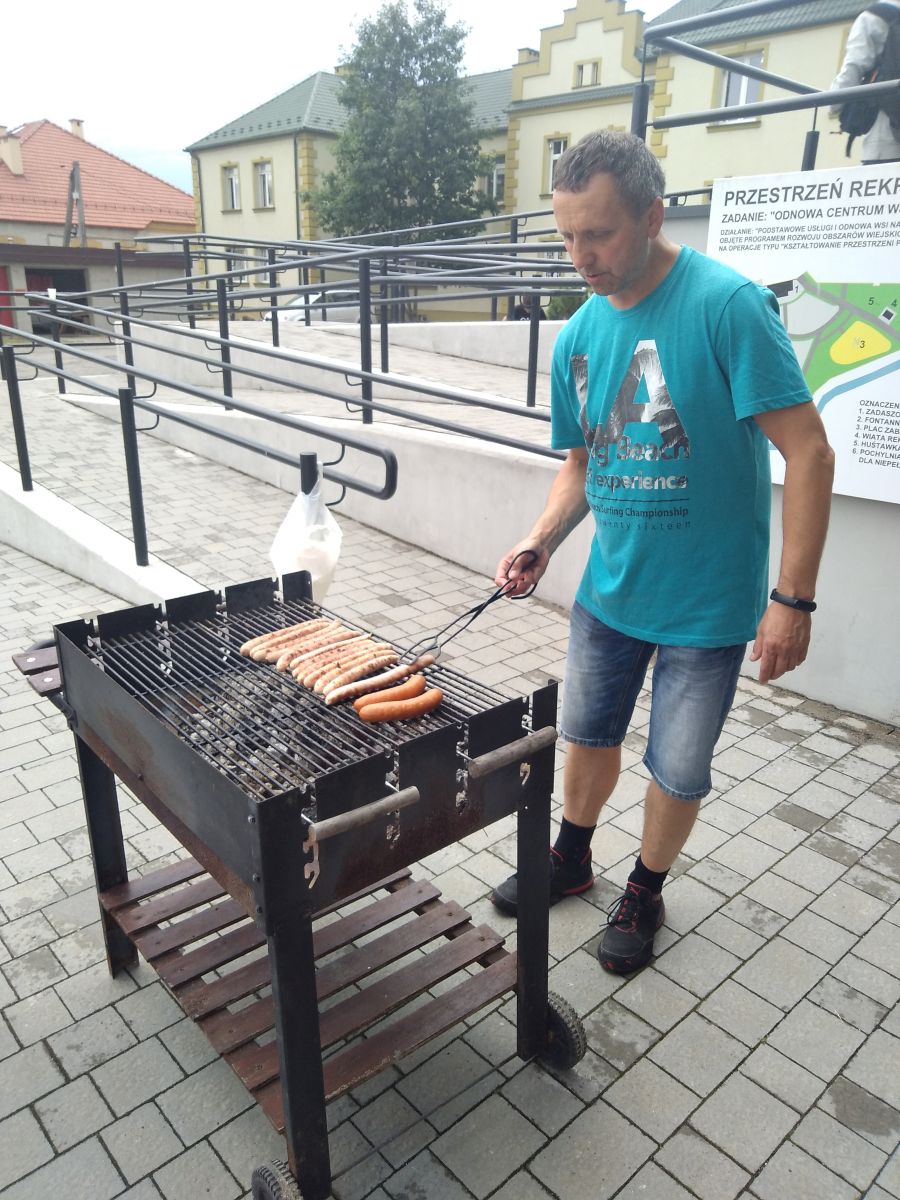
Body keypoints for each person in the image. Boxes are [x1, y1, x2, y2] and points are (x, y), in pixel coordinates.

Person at [490, 130, 834, 975]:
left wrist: (792, 600)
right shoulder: (577, 336)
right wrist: (539, 539)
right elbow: (583, 466)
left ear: (652, 215)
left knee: (678, 768)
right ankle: (572, 857)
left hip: (707, 604)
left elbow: (810, 451)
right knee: (586, 736)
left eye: (598, 234)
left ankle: (644, 890)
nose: (581, 257)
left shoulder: (728, 306)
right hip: (610, 592)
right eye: (568, 236)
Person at [831, 0, 900, 163]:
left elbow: (854, 65)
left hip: (886, 136)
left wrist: (832, 103)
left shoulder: (875, 16)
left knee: (881, 178)